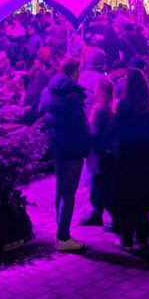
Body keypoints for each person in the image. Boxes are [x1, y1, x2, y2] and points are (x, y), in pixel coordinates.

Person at [38, 57, 91, 251]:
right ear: (75, 72)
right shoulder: (74, 94)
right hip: (73, 148)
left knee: (60, 188)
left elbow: (41, 113)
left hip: (56, 146)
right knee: (69, 192)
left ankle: (59, 224)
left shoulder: (47, 91)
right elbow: (81, 125)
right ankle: (63, 236)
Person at [109, 68, 149, 250]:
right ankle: (143, 239)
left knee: (127, 198)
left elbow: (115, 131)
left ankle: (127, 241)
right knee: (142, 199)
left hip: (127, 157)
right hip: (145, 156)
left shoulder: (123, 107)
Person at [82, 75, 116, 227]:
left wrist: (85, 136)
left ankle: (110, 216)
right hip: (105, 152)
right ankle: (98, 213)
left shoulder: (101, 111)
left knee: (100, 184)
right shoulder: (108, 109)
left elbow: (97, 134)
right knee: (100, 184)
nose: (94, 91)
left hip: (99, 153)